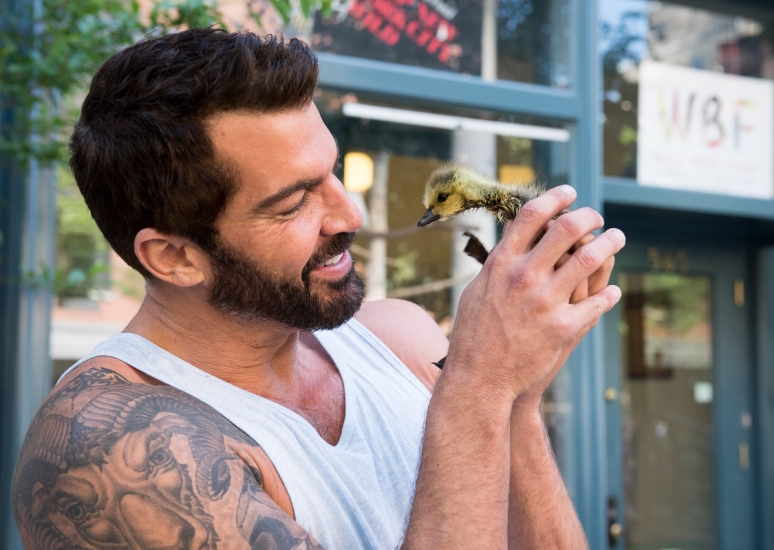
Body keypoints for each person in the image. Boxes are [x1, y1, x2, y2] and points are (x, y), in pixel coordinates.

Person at [12, 28, 625, 549]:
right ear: (173, 257)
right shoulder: (114, 449)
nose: (349, 215)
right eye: (293, 203)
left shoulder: (399, 339)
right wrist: (480, 384)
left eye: (331, 172)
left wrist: (515, 392)